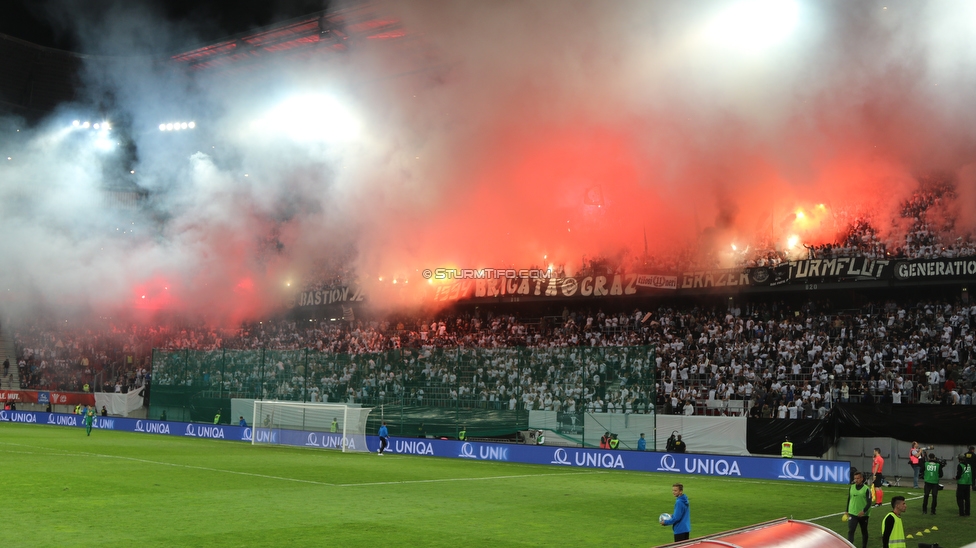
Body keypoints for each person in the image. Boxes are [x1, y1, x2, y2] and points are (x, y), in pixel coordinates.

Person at [845, 471, 873, 548]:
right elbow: (849, 499)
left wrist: (863, 511)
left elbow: (869, 502)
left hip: (863, 515)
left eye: (858, 478)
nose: (856, 480)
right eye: (855, 478)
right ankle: (850, 546)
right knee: (851, 530)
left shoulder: (866, 489)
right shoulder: (851, 487)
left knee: (864, 531)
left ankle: (864, 546)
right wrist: (846, 511)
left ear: (862, 479)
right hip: (852, 513)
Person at [956, 449, 972, 517]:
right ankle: (967, 512)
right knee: (967, 499)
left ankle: (961, 513)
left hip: (961, 483)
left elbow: (959, 475)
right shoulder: (969, 465)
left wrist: (956, 478)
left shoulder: (960, 465)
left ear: (959, 459)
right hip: (968, 483)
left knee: (960, 498)